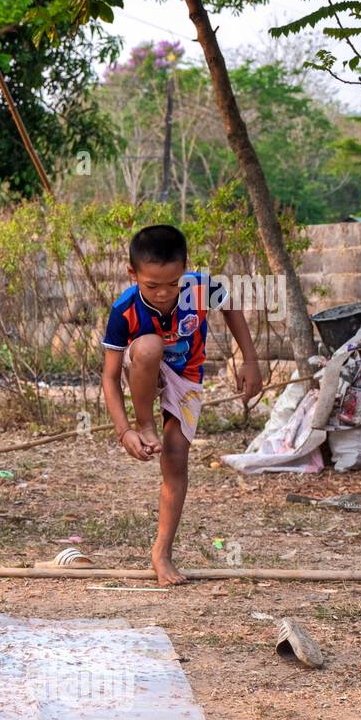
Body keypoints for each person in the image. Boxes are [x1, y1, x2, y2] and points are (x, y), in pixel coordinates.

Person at [101, 224, 263, 586]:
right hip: (144, 368)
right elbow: (110, 377)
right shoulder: (124, 310)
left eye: (172, 284)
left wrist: (249, 361)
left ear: (185, 270)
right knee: (148, 347)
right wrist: (125, 429)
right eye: (151, 285)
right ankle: (147, 424)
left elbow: (232, 307)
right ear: (133, 274)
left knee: (175, 456)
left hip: (186, 376)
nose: (163, 294)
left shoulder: (201, 287)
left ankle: (162, 552)